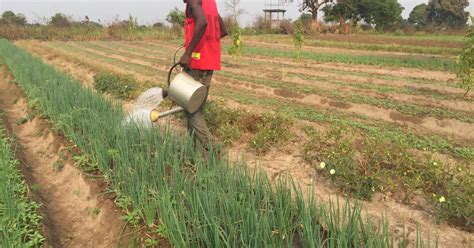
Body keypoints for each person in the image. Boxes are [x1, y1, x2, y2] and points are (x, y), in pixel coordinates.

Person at [164, 0, 227, 150]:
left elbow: (203, 23)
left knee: (190, 108)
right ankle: (196, 151)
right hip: (209, 62)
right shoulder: (209, 2)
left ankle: (211, 148)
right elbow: (223, 30)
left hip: (197, 63)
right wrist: (201, 44)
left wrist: (188, 52)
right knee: (197, 109)